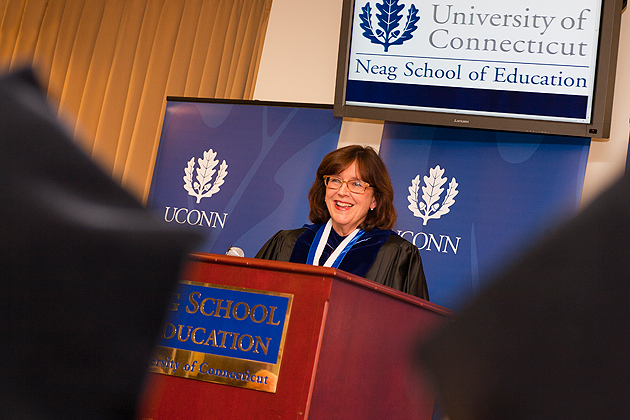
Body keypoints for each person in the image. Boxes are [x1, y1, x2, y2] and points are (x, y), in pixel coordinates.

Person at [256, 145, 428, 300]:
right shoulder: (287, 243)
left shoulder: (396, 256)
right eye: (336, 181)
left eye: (356, 184)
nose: (342, 192)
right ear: (324, 190)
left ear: (375, 200)